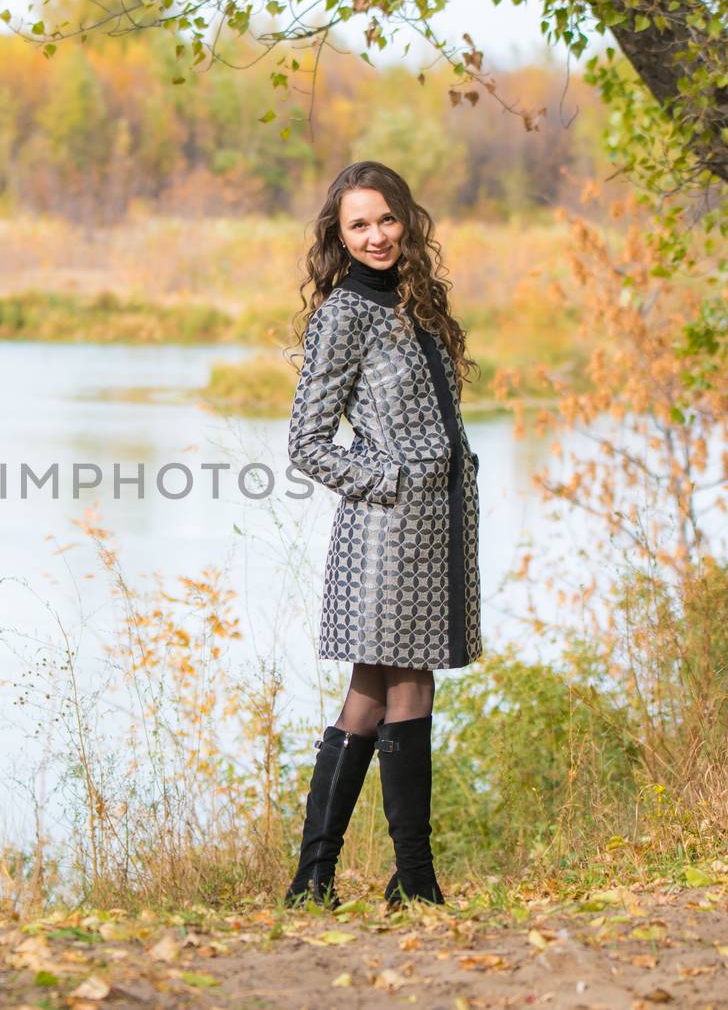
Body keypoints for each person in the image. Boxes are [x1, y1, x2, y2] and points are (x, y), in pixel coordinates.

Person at [282, 160, 482, 909]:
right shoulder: (343, 314)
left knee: (374, 693)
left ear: (407, 218)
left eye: (386, 219)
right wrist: (390, 479)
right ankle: (414, 880)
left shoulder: (417, 300)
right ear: (338, 234)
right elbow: (307, 442)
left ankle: (318, 878)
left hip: (438, 527)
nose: (376, 235)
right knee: (405, 683)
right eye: (358, 224)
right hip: (387, 528)